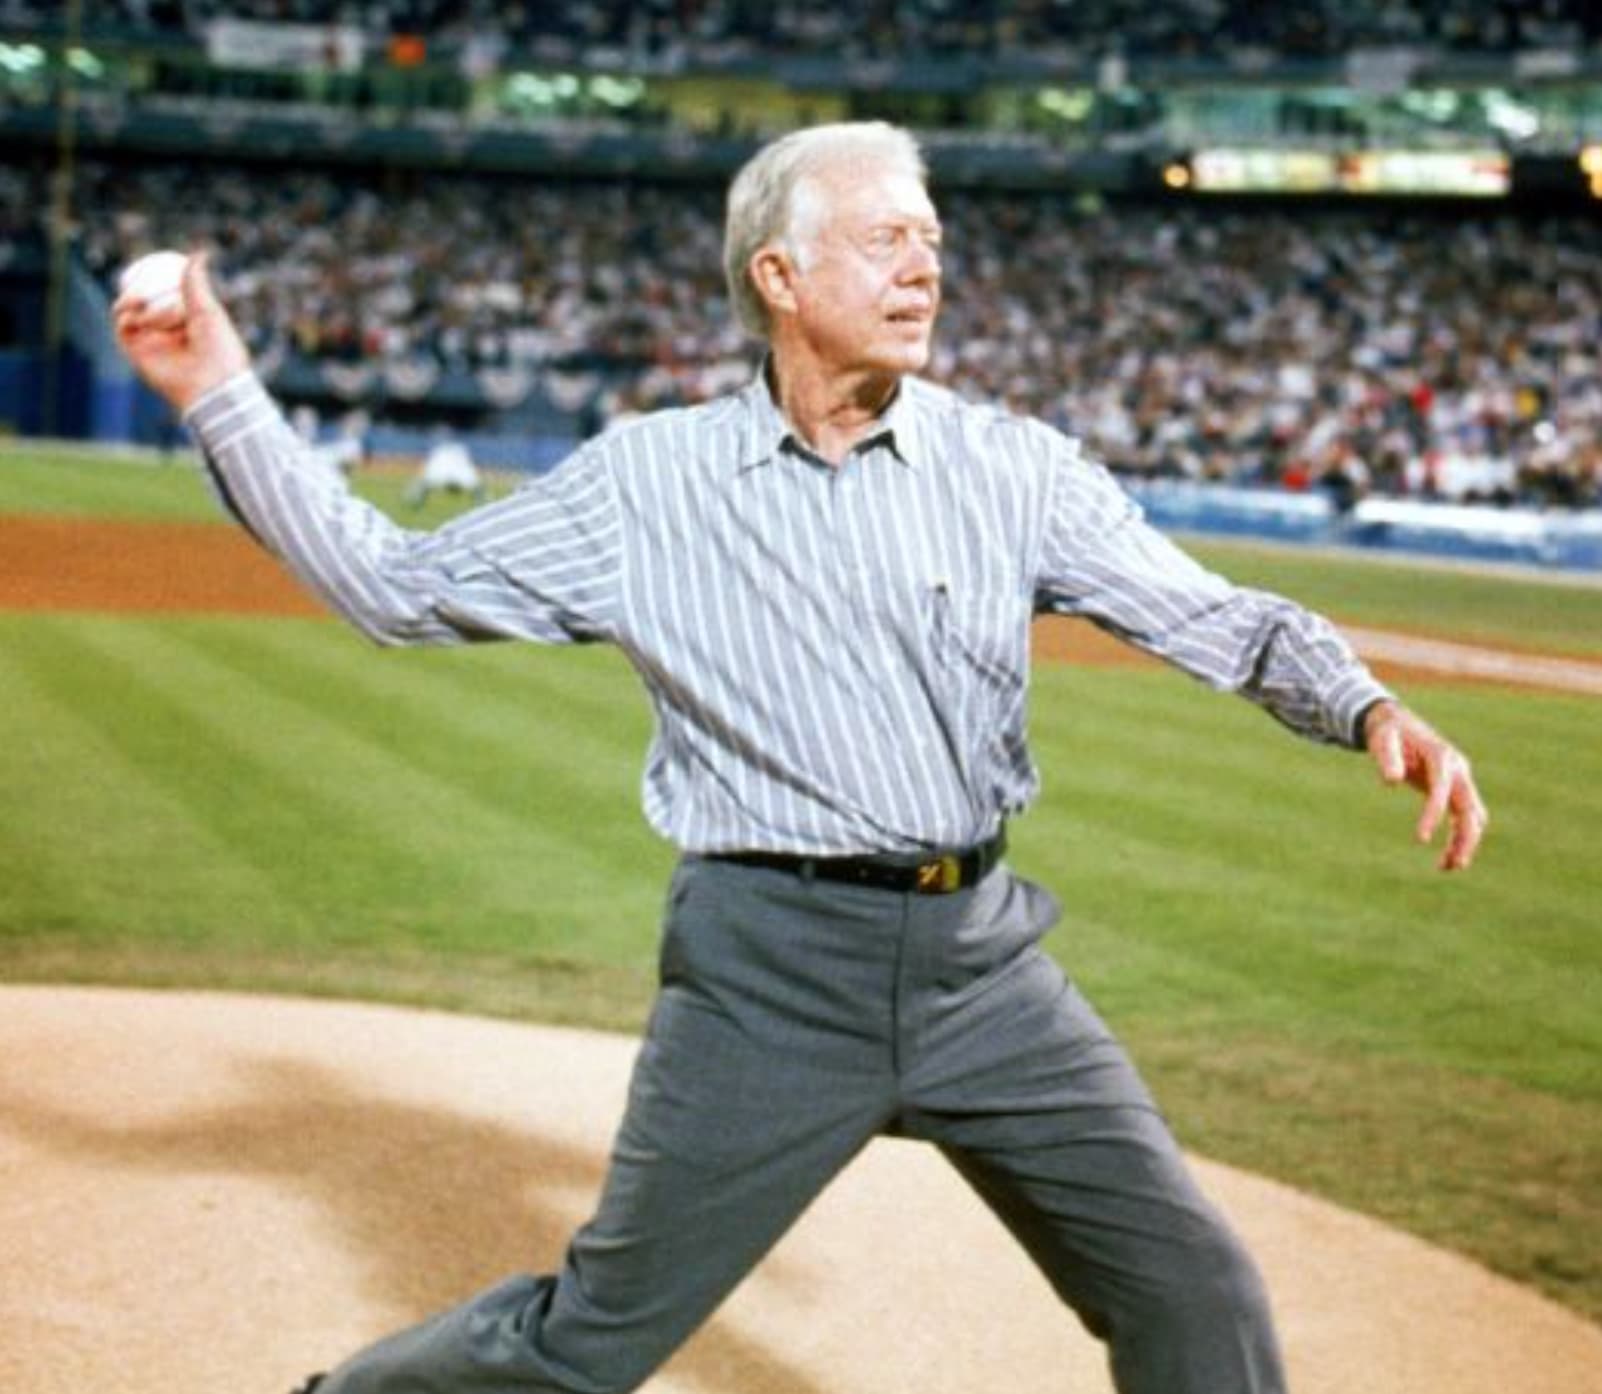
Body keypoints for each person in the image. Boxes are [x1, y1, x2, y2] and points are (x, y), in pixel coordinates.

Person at [113, 122, 1487, 1394]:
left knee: (1196, 1293)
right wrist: (218, 390)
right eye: (887, 236)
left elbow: (1216, 615)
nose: (924, 261)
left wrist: (1362, 704)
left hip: (982, 964)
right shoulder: (646, 484)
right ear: (779, 273)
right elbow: (391, 584)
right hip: (767, 971)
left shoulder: (1009, 468)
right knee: (589, 1342)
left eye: (933, 238)